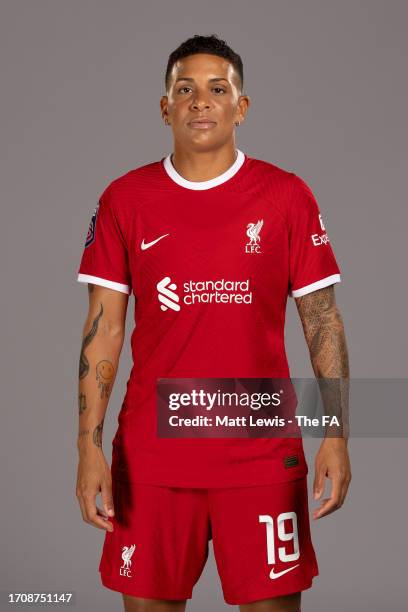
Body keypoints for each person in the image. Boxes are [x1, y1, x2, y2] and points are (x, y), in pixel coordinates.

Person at [75, 34, 351, 612]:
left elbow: (321, 323)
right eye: (185, 89)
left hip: (260, 452)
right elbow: (103, 330)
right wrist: (88, 447)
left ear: (240, 107)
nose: (200, 101)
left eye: (217, 89)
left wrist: (337, 433)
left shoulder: (286, 196)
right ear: (165, 107)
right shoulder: (126, 199)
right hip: (152, 457)